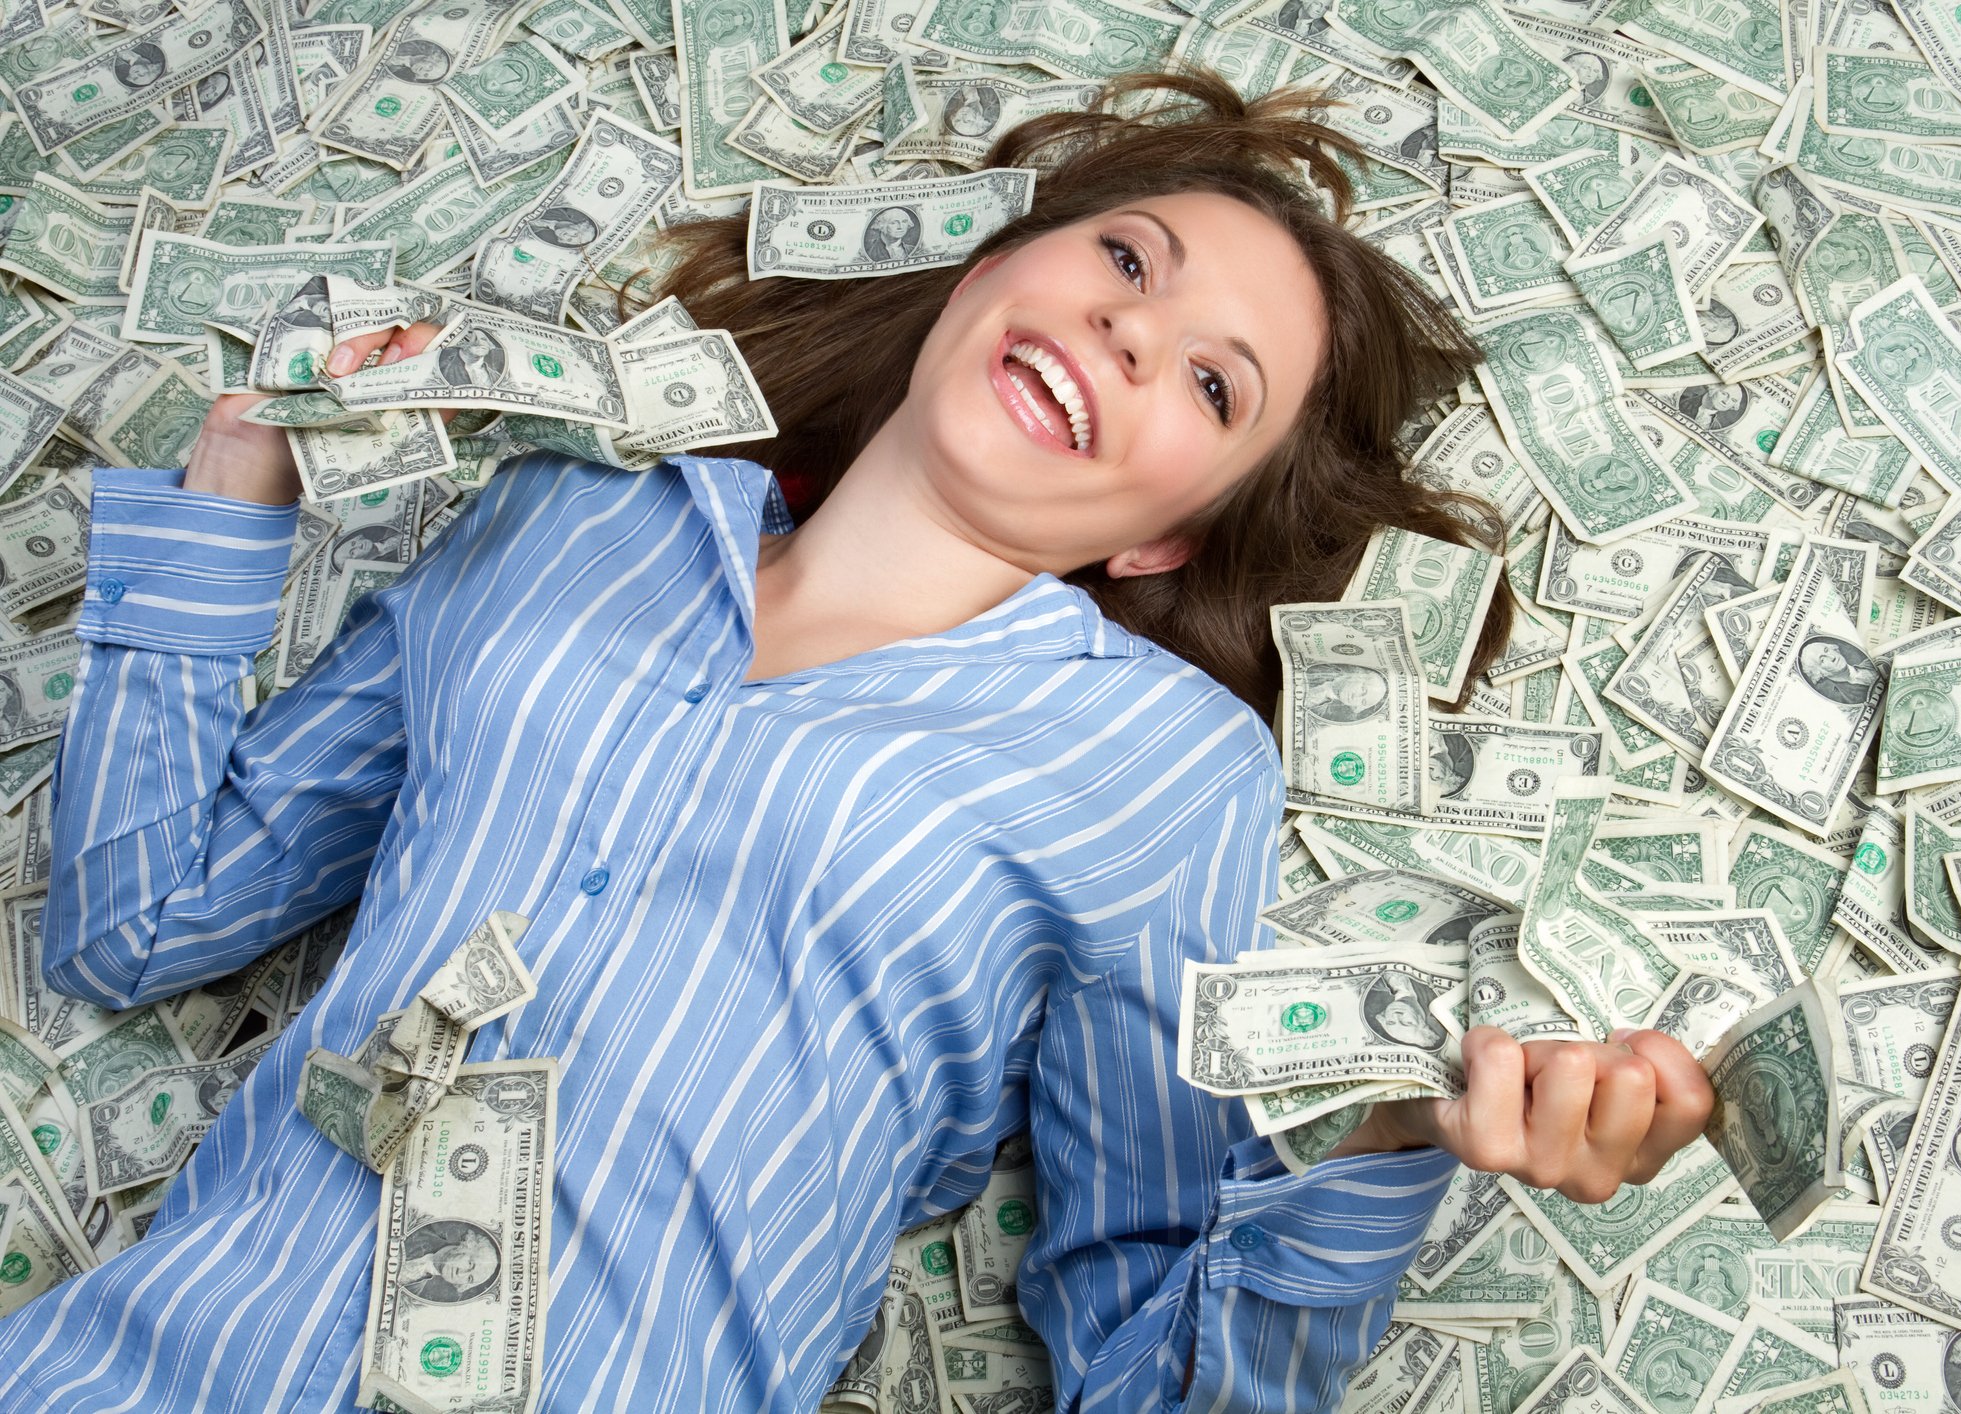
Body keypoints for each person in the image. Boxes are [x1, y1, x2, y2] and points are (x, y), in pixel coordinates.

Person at [0, 70, 1713, 1412]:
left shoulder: (1162, 770)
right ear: (995, 264)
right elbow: (139, 922)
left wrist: (1384, 1154)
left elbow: (1145, 1359)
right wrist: (236, 488)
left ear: (1165, 539)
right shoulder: (564, 518)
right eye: (1127, 262)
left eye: (1211, 386)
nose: (1133, 330)